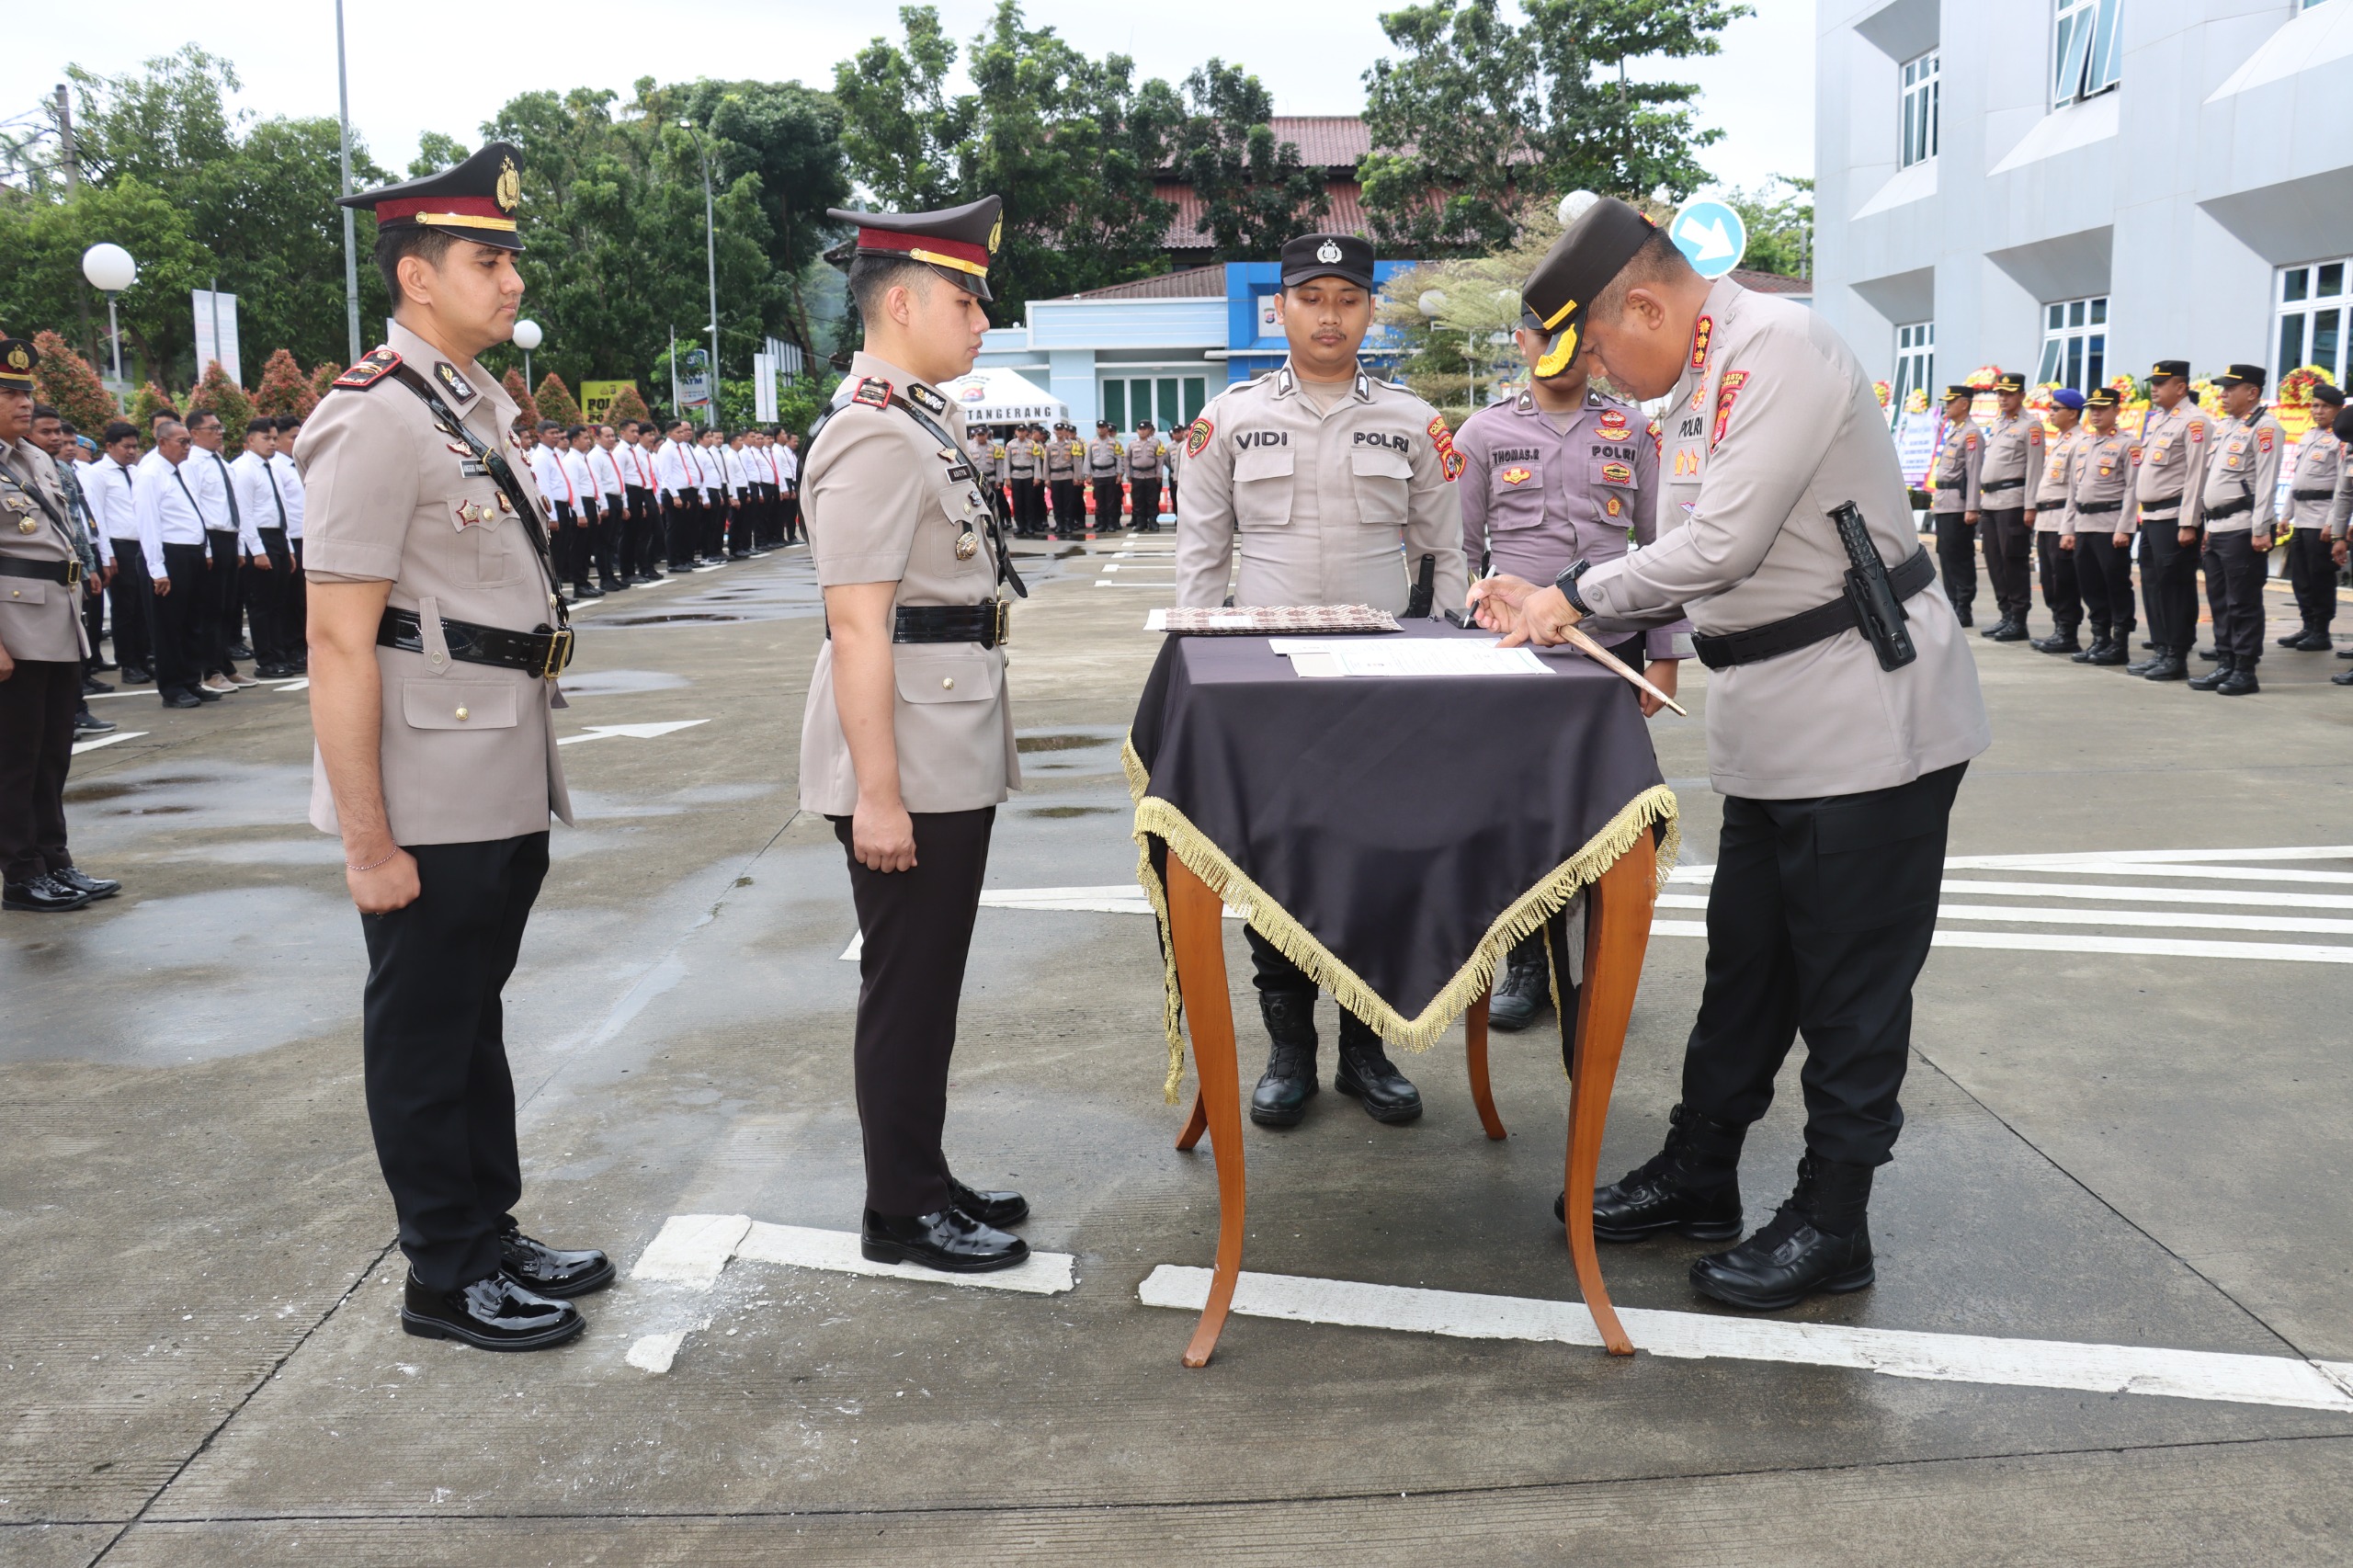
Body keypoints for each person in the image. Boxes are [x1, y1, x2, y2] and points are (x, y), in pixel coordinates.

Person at [1471, 197, 1989, 1312]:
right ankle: (1700, 1170)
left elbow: (1718, 544)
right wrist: (1563, 595)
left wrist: (1568, 597)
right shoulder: (1701, 374)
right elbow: (1684, 552)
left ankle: (1831, 1217)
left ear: (1646, 304)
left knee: (1851, 991)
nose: (1600, 374)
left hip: (1866, 717)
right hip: (1772, 715)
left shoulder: (1776, 350)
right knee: (1746, 967)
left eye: (1603, 346)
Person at [302, 140, 609, 1352]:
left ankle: (488, 1226)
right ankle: (443, 1270)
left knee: (472, 1016)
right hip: (425, 785)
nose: (513, 280)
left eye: (512, 259)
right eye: (488, 259)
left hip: (495, 766)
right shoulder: (375, 419)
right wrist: (367, 839)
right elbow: (336, 640)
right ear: (418, 278)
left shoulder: (466, 405)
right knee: (426, 1032)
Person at [1176, 230, 1468, 1131]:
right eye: (1312, 297)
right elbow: (1200, 557)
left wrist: (1444, 656)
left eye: (1347, 297)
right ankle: (1289, 1048)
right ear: (1282, 309)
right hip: (1267, 682)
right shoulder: (1225, 419)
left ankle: (1368, 1049)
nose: (1330, 314)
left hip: (1382, 683)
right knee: (1275, 863)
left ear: (1370, 309)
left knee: (1376, 863)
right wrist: (1191, 670)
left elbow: (1446, 553)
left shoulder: (1416, 423)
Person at [802, 192, 1032, 1273]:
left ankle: (922, 1173)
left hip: (942, 729)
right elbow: (857, 624)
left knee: (929, 980)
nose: (982, 319)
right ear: (899, 301)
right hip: (906, 748)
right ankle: (899, 1207)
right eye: (965, 298)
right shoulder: (870, 433)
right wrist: (876, 792)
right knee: (906, 985)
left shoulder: (916, 419)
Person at [1453, 303, 1683, 1034]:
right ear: (1521, 341)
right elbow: (1454, 550)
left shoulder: (1635, 429)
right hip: (1514, 656)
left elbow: (1664, 547)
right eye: (1544, 336)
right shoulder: (1484, 431)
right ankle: (1527, 964)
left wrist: (1667, 654)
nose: (1561, 351)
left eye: (1576, 339)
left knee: (1610, 812)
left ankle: (1593, 965)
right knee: (1516, 810)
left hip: (1611, 651)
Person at [0, 341, 122, 913]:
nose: (22, 403)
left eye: (25, 392)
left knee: (53, 753)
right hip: (14, 625)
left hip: (56, 617)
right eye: (7, 392)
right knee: (15, 757)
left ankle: (55, 860)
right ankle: (21, 874)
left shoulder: (35, 458)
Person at [2188, 364, 2282, 697]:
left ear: (2252, 392)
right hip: (2218, 527)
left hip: (2244, 529)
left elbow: (2267, 483)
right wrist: (2208, 527)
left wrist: (2261, 529)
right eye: (2222, 389)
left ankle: (2245, 669)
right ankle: (2225, 662)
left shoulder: (2265, 428)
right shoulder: (2228, 427)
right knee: (2219, 601)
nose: (2223, 394)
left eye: (2230, 389)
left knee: (2242, 602)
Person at [2130, 360, 2216, 682]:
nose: (2154, 387)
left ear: (2180, 387)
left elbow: (2197, 475)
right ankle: (2162, 650)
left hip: (2174, 516)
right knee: (2153, 585)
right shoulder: (2158, 420)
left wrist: (2189, 522)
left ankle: (2177, 655)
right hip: (2152, 516)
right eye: (2153, 381)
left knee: (2175, 587)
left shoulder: (2195, 422)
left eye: (2162, 382)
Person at [131, 420, 216, 710]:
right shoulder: (150, 473)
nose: (188, 447)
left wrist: (205, 549)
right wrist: (157, 569)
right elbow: (148, 524)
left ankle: (191, 680)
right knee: (168, 626)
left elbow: (192, 513)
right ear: (162, 442)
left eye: (189, 441)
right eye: (182, 442)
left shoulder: (179, 471)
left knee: (192, 623)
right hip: (169, 556)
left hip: (190, 554)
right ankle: (172, 687)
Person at [2059, 387, 2137, 666]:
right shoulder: (2083, 445)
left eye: (2103, 408)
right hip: (2083, 524)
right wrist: (2067, 529)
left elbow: (2132, 489)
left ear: (2117, 411)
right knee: (2090, 585)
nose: (2096, 413)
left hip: (2110, 525)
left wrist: (2125, 527)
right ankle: (2100, 638)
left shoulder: (2129, 444)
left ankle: (2120, 642)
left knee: (2115, 584)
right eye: (2092, 408)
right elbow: (2073, 491)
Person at [186, 410, 261, 691]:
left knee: (227, 609)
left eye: (221, 426)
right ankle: (210, 670)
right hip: (210, 539)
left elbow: (236, 506)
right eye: (213, 428)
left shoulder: (221, 462)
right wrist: (205, 548)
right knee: (209, 609)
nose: (219, 432)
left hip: (229, 538)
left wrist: (240, 545)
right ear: (194, 433)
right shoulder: (192, 463)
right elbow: (194, 506)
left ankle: (225, 666)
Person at [2279, 381, 2345, 653]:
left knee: (2320, 577)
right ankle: (2307, 625)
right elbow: (2297, 481)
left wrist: (2334, 523)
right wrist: (2285, 515)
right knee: (2301, 577)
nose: (2318, 411)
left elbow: (2344, 485)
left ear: (2338, 409)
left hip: (2321, 519)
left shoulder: (2342, 439)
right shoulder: (2308, 437)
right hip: (2302, 517)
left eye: (2324, 406)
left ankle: (2321, 630)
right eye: (2315, 406)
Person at [229, 419, 298, 676]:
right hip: (259, 539)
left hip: (278, 536)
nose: (272, 443)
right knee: (261, 606)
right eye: (265, 438)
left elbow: (281, 510)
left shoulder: (272, 468)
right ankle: (266, 661)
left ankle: (280, 656)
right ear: (249, 441)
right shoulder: (244, 469)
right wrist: (257, 550)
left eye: (273, 438)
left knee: (279, 604)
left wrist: (288, 547)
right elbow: (244, 513)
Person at [1974, 372, 2040, 642]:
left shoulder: (2031, 426)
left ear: (2022, 396)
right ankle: (2006, 614)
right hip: (1990, 502)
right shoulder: (1999, 423)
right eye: (2000, 393)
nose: (2003, 398)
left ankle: (2018, 618)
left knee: (2013, 561)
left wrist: (2030, 506)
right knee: (1994, 560)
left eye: (2009, 393)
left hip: (2013, 502)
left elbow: (2035, 469)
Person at [88, 421, 151, 686]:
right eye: (126, 447)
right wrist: (106, 555)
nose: (132, 452)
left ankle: (144, 658)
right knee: (125, 608)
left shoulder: (136, 472)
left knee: (143, 607)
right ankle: (129, 663)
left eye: (135, 446)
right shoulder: (98, 474)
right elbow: (97, 516)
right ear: (110, 446)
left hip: (141, 545)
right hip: (118, 546)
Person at [2027, 388, 2086, 655]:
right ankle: (2058, 628)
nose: (2050, 412)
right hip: (2047, 520)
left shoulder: (2079, 441)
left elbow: (2075, 488)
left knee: (2063, 580)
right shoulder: (2062, 440)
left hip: (2062, 519)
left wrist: (2069, 527)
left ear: (2072, 413)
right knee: (2049, 580)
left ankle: (2067, 632)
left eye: (2056, 408)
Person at [1927, 385, 1984, 625]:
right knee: (1946, 554)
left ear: (1964, 403)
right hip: (1945, 503)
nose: (1947, 406)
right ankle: (1952, 601)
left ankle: (1963, 605)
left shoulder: (1971, 434)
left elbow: (1974, 473)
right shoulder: (1955, 431)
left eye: (1951, 402)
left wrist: (1972, 507)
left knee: (1959, 556)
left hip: (1959, 506)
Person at [269, 416, 309, 672]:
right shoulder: (276, 466)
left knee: (303, 600)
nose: (297, 442)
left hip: (306, 536)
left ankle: (300, 647)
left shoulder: (298, 464)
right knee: (290, 600)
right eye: (292, 437)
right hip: (290, 535)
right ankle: (291, 647)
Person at [585, 425, 630, 593]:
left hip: (616, 498)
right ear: (597, 438)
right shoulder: (595, 456)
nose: (612, 439)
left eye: (613, 436)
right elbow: (597, 482)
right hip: (606, 500)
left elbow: (618, 480)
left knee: (612, 542)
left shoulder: (611, 455)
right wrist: (603, 505)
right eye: (607, 436)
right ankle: (604, 578)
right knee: (602, 543)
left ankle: (611, 576)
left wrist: (623, 504)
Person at [1125, 419, 1167, 533]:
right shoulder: (1132, 444)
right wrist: (1128, 474)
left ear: (1149, 430)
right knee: (1138, 499)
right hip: (1137, 476)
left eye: (1145, 429)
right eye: (1140, 429)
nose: (1142, 432)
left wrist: (1159, 474)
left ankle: (1153, 522)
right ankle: (1140, 522)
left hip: (1151, 476)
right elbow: (1127, 460)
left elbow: (1160, 460)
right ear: (1137, 431)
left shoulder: (1156, 443)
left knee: (1152, 499)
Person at [1086, 418, 1123, 536]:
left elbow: (1118, 459)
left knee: (1111, 501)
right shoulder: (1092, 443)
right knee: (1100, 502)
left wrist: (1119, 474)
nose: (1101, 429)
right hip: (1097, 475)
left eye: (1103, 427)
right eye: (1099, 427)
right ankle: (1101, 524)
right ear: (1097, 429)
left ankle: (1111, 524)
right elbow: (1088, 459)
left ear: (1107, 429)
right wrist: (1088, 474)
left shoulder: (1114, 443)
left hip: (1110, 474)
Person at [1045, 419, 1081, 538]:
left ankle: (1068, 524)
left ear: (1065, 431)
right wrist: (1047, 478)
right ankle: (1059, 524)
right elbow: (1046, 463)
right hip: (1055, 477)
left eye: (1062, 430)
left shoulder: (1072, 445)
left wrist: (1077, 477)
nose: (1059, 432)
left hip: (1068, 476)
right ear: (1054, 432)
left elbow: (1076, 462)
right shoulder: (1050, 446)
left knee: (1068, 502)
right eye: (1057, 430)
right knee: (1057, 502)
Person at [776, 429, 802, 546]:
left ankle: (791, 536)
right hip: (785, 482)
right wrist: (785, 487)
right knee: (784, 513)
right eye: (794, 441)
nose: (796, 443)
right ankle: (782, 537)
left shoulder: (789, 452)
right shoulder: (779, 451)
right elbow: (781, 470)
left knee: (792, 512)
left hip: (792, 481)